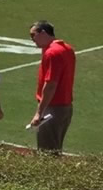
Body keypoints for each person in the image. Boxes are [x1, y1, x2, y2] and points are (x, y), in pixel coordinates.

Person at [29, 20, 75, 153]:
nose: (32, 40)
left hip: (52, 107)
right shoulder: (67, 48)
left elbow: (50, 85)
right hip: (65, 106)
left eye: (33, 35)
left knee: (47, 152)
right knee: (55, 147)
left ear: (43, 33)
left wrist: (39, 113)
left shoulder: (51, 53)